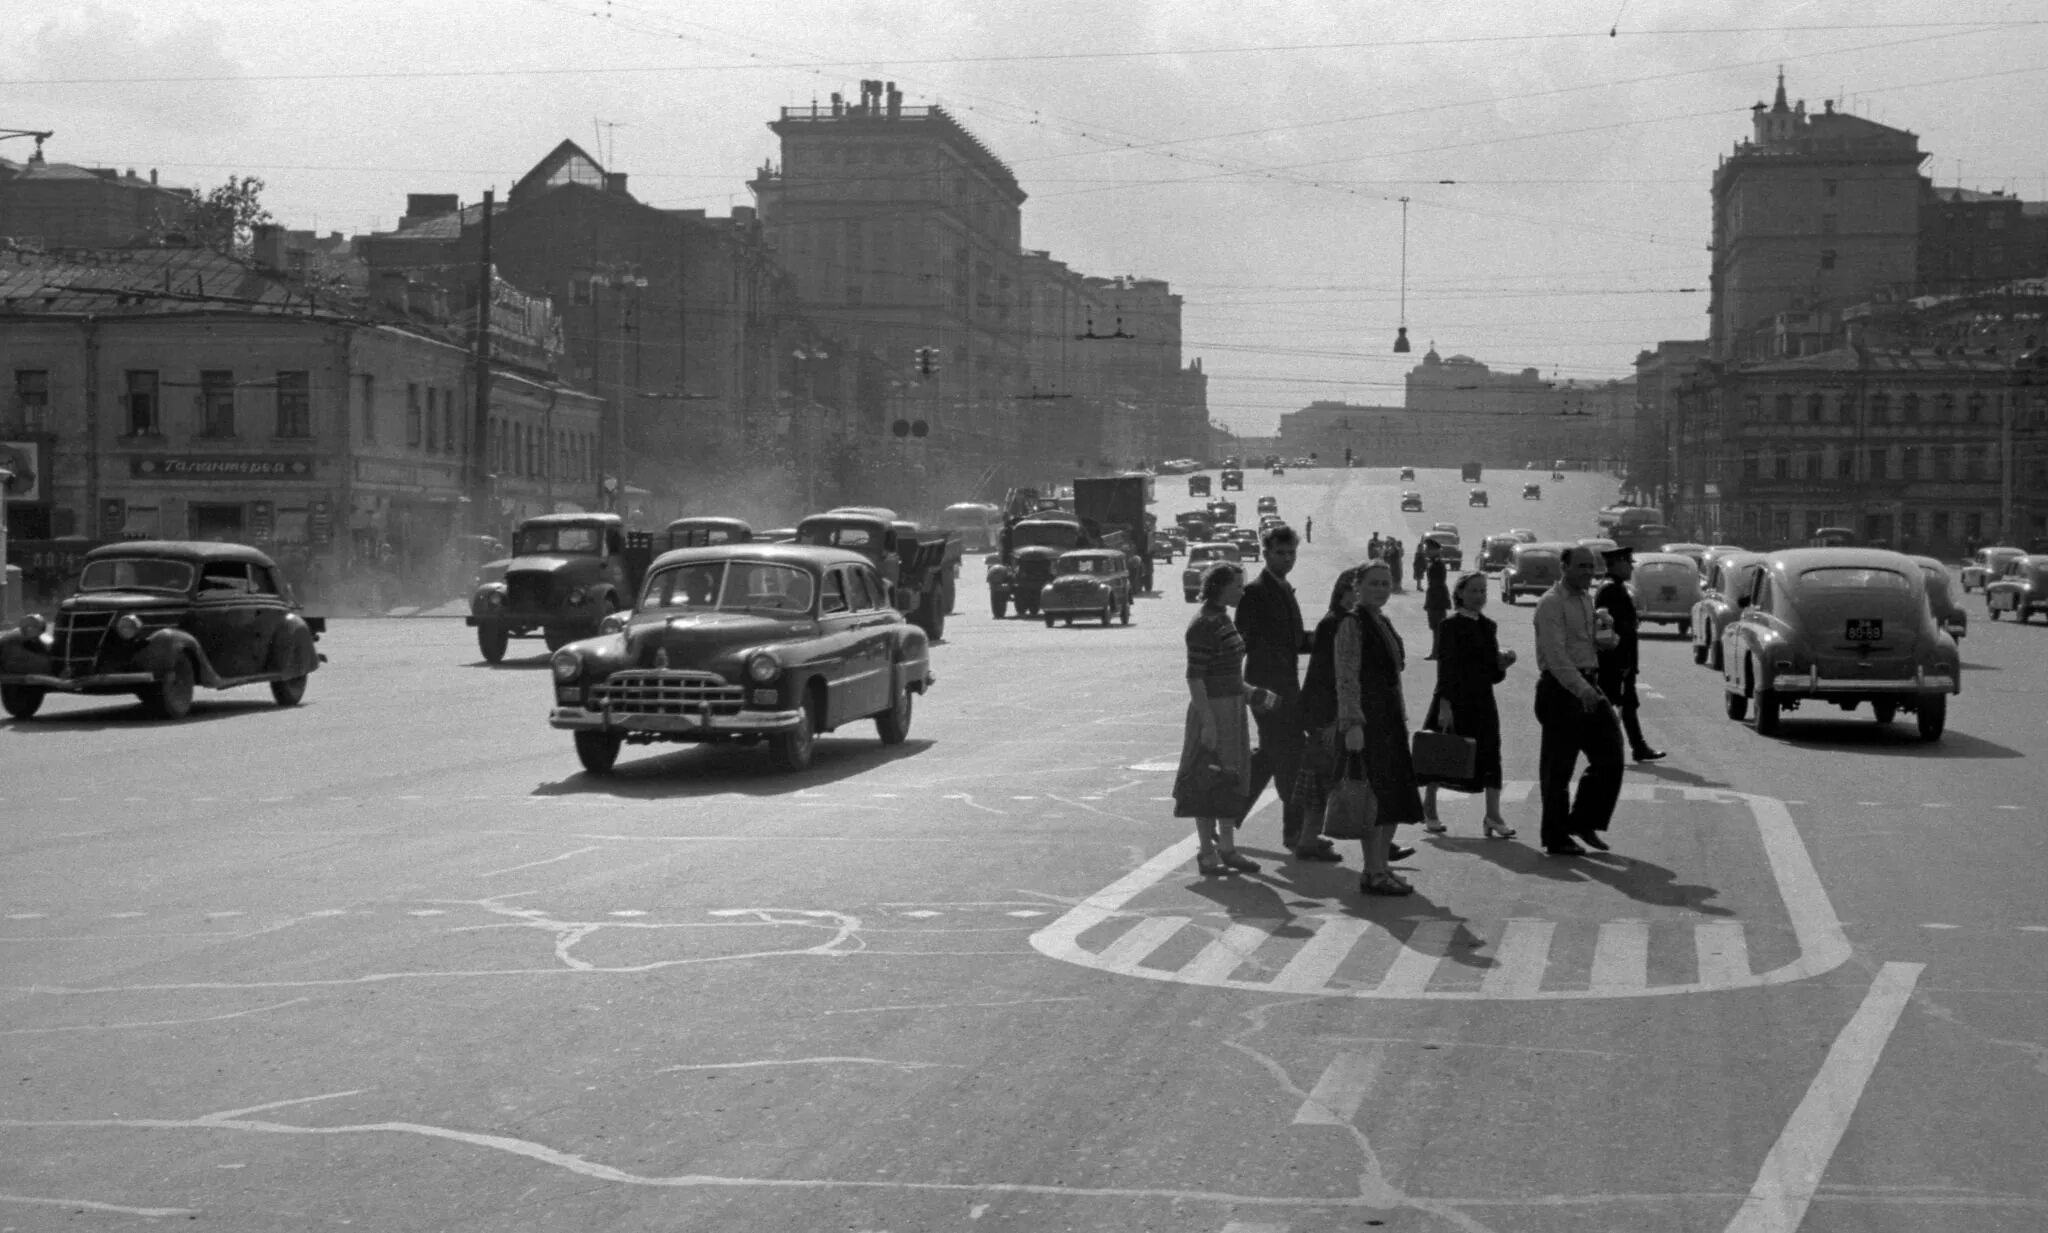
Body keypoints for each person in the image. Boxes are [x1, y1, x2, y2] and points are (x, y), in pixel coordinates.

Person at [1174, 561, 1278, 876]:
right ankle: (1208, 853)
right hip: (1215, 711)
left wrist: (1250, 693)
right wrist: (1207, 722)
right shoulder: (1204, 623)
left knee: (1229, 779)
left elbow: (1227, 673)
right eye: (1236, 585)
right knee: (1208, 778)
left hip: (1231, 707)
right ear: (1220, 587)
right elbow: (1195, 678)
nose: (1241, 590)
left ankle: (1227, 849)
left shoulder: (1222, 618)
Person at [1336, 559, 1427, 894]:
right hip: (1368, 721)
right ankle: (1373, 872)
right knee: (1373, 799)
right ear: (1357, 587)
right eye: (1373, 583)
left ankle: (1381, 867)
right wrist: (1352, 724)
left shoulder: (1381, 621)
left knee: (1390, 797)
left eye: (1385, 584)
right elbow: (1345, 676)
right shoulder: (1353, 624)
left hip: (1389, 718)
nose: (1380, 590)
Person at [1531, 546, 1624, 856]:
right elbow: (1556, 658)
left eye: (1591, 566)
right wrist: (1584, 691)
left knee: (1610, 754)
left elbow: (1588, 644)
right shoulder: (1551, 603)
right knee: (1558, 769)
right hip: (1561, 690)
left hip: (1588, 683)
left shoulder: (1587, 599)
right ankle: (1556, 836)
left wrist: (1607, 639)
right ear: (1564, 567)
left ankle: (1583, 820)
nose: (1588, 572)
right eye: (1581, 566)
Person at [1421, 572, 1517, 839]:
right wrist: (1444, 705)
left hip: (1482, 700)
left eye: (1484, 591)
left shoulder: (1488, 626)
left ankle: (1493, 815)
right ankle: (1429, 808)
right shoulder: (1450, 625)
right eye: (1474, 590)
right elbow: (1447, 668)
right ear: (1460, 593)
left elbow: (1492, 675)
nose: (1479, 596)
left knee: (1490, 754)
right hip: (1454, 699)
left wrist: (1503, 664)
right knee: (1441, 753)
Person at [1235, 525, 1313, 850]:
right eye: (1280, 553)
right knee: (1291, 758)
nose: (1287, 558)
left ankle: (1223, 815)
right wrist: (1249, 690)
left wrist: (1326, 637)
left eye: (1291, 552)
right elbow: (1240, 643)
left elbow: (1293, 642)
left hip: (1286, 688)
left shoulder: (1283, 589)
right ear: (1265, 553)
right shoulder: (1256, 592)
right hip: (1268, 691)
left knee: (1270, 756)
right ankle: (1294, 833)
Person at [1595, 546, 1666, 763]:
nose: (1631, 567)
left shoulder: (1615, 587)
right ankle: (1604, 748)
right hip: (1615, 660)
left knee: (1627, 705)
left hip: (1619, 659)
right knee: (1610, 706)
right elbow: (1614, 630)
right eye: (1627, 563)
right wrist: (1622, 661)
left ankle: (1637, 747)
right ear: (1616, 564)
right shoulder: (1611, 590)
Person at [1422, 544, 1451, 659]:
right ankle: (1436, 652)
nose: (1426, 551)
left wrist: (1432, 601)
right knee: (1435, 627)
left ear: (1434, 550)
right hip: (1435, 597)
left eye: (1428, 549)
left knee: (1438, 627)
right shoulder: (1434, 562)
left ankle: (1438, 652)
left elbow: (1437, 584)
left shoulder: (1437, 563)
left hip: (1437, 598)